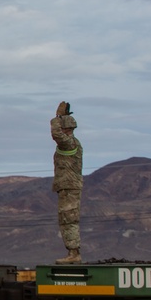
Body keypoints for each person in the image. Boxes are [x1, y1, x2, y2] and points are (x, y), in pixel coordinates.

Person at [51, 101, 83, 264]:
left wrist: (57, 118)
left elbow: (57, 135)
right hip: (67, 187)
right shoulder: (71, 143)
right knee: (66, 218)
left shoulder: (69, 142)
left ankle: (74, 253)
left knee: (68, 218)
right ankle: (72, 252)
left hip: (70, 187)